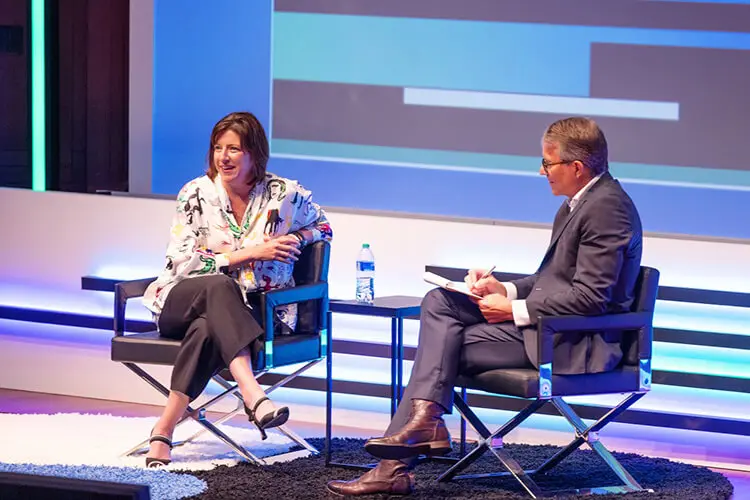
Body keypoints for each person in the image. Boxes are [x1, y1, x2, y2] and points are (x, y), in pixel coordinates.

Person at [326, 116, 642, 495]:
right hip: (548, 329)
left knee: (441, 348)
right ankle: (426, 422)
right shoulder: (576, 204)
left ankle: (399, 460)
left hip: (575, 342)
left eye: (547, 163)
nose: (541, 171)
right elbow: (552, 282)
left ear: (576, 167)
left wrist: (512, 310)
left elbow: (591, 298)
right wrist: (504, 289)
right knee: (441, 302)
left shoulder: (608, 208)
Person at [142, 111, 333, 467]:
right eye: (218, 148)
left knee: (207, 330)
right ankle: (253, 393)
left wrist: (297, 236)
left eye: (234, 149)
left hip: (239, 317)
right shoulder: (195, 193)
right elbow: (185, 260)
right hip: (180, 301)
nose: (223, 157)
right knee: (216, 285)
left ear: (255, 155)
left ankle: (163, 429)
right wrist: (248, 254)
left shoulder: (283, 195)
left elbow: (324, 228)